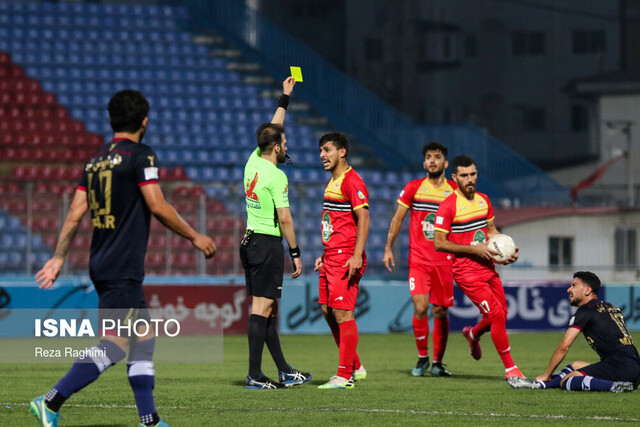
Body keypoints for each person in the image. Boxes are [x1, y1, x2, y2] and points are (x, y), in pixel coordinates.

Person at [31, 90, 217, 427]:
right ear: (144, 121)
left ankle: (149, 420)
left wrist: (59, 257)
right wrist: (195, 235)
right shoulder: (141, 156)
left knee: (142, 336)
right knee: (116, 345)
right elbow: (157, 205)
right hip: (121, 266)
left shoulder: (95, 160)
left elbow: (75, 212)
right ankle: (51, 401)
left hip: (102, 263)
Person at [240, 76, 311, 389]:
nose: (287, 147)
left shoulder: (253, 160)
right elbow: (285, 218)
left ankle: (283, 370)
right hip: (267, 243)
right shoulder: (277, 176)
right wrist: (295, 253)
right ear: (275, 148)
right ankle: (255, 375)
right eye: (284, 144)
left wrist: (285, 97)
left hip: (250, 240)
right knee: (261, 308)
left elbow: (272, 128)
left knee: (268, 307)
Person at [433, 154, 525, 381]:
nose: (470, 179)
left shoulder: (483, 200)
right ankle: (511, 369)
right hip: (466, 272)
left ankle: (473, 334)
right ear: (454, 177)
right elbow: (439, 243)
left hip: (488, 266)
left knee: (502, 314)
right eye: (464, 175)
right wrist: (475, 250)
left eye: (473, 174)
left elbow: (491, 231)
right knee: (495, 314)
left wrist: (506, 250)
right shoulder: (448, 207)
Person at [383, 142, 456, 377]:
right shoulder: (414, 188)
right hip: (419, 260)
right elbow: (397, 218)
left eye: (437, 157)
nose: (432, 161)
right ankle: (423, 357)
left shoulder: (455, 191)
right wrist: (388, 247)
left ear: (445, 163)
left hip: (444, 261)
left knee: (441, 312)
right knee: (421, 306)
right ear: (424, 163)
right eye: (428, 157)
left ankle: (438, 362)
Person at [509, 271, 640, 392]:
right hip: (634, 367)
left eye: (574, 285)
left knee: (567, 381)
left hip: (619, 367)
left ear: (588, 290)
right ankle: (539, 384)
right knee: (576, 365)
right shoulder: (610, 307)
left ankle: (614, 387)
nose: (569, 289)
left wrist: (547, 374)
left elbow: (563, 347)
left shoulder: (586, 310)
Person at [314, 131, 369, 389]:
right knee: (327, 311)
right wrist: (324, 254)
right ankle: (355, 365)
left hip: (346, 257)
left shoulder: (352, 181)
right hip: (331, 256)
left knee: (344, 314)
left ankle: (345, 375)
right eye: (321, 150)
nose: (322, 155)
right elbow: (335, 224)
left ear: (342, 151)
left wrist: (357, 255)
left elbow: (364, 219)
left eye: (327, 150)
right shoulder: (333, 182)